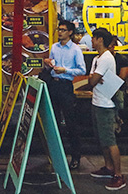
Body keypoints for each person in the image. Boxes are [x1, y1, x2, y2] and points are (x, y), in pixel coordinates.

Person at [83, 28, 127, 191]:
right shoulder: (97, 58)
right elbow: (92, 78)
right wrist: (94, 78)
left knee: (109, 140)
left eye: (93, 38)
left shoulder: (106, 58)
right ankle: (108, 167)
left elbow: (93, 80)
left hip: (106, 105)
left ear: (100, 40)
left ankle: (118, 175)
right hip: (97, 102)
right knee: (102, 139)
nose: (91, 41)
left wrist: (94, 78)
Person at [43, 20, 86, 170]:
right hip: (53, 85)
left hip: (66, 86)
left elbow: (82, 70)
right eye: (59, 29)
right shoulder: (54, 47)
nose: (60, 32)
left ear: (70, 32)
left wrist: (66, 70)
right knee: (53, 121)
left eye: (63, 30)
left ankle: (75, 156)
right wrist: (48, 63)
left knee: (70, 121)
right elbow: (51, 64)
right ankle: (56, 155)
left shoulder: (75, 50)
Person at [109, 36, 128, 133]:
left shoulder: (121, 59)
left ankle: (115, 120)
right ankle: (115, 120)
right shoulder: (100, 58)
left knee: (115, 95)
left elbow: (121, 78)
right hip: (105, 88)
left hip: (118, 88)